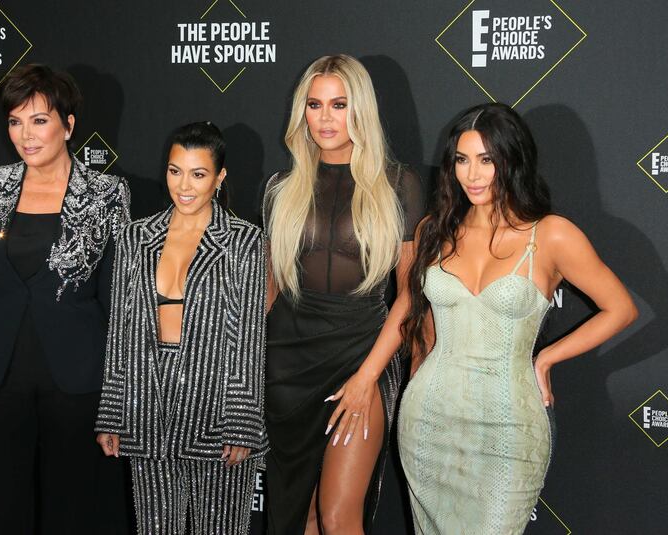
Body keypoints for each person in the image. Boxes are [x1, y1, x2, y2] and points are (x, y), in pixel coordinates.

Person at [397, 102, 638, 534]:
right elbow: (419, 322)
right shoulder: (435, 231)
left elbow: (621, 308)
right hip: (429, 421)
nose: (472, 175)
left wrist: (545, 359)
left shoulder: (550, 235)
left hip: (510, 426)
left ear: (512, 160)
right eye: (462, 160)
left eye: (487, 160)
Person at [0, 64, 130, 533]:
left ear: (69, 124)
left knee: (71, 509)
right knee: (0, 508)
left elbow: (119, 301)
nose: (26, 135)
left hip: (78, 378)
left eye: (39, 120)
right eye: (15, 121)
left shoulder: (106, 193)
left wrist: (119, 395)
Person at [262, 54, 425, 534]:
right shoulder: (280, 189)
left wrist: (368, 375)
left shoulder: (398, 185)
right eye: (315, 105)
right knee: (302, 514)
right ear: (302, 113)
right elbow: (270, 292)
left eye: (339, 104)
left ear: (362, 110)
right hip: (287, 366)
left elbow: (409, 294)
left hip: (361, 356)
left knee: (338, 515)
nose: (326, 118)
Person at [95, 122, 267, 535]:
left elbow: (248, 337)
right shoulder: (135, 237)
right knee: (156, 529)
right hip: (147, 400)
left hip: (217, 400)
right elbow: (121, 327)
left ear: (220, 176)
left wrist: (241, 420)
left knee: (221, 529)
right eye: (175, 171)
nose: (184, 185)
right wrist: (113, 411)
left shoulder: (244, 241)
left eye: (198, 173)